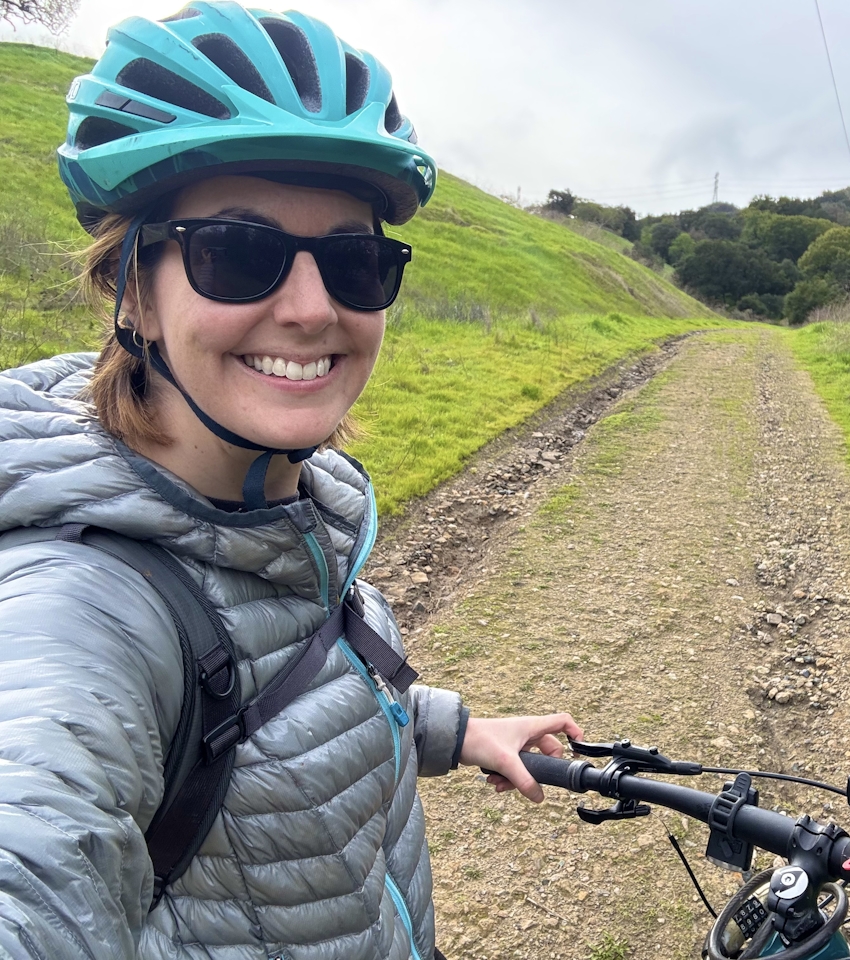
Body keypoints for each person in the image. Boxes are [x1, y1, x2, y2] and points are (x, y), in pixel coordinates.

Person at [0, 2, 579, 957]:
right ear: (133, 286)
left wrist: (452, 728)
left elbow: (281, 689)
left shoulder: (288, 511)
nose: (312, 310)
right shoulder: (75, 615)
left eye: (354, 262)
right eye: (239, 252)